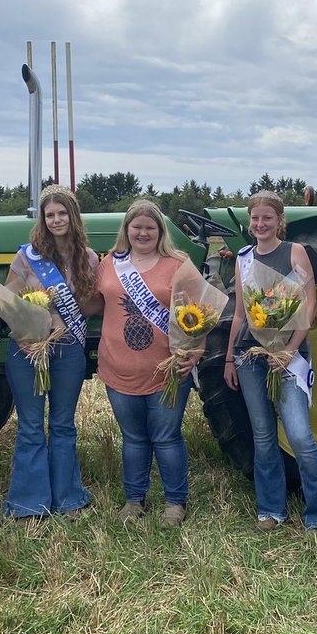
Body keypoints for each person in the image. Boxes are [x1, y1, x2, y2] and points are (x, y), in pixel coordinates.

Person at [224, 191, 317, 535]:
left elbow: (307, 307)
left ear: (279, 221)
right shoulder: (243, 257)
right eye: (255, 218)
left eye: (267, 218)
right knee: (262, 437)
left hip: (287, 358)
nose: (260, 224)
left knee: (300, 437)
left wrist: (289, 349)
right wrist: (231, 356)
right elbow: (240, 315)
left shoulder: (295, 252)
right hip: (250, 357)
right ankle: (271, 508)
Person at [95, 199, 199, 526]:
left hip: (167, 371)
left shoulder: (178, 264)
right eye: (136, 226)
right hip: (119, 368)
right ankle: (134, 499)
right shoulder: (110, 262)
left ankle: (174, 502)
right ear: (126, 229)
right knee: (133, 437)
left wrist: (195, 352)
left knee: (166, 437)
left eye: (149, 227)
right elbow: (92, 303)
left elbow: (203, 312)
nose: (142, 233)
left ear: (160, 231)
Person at [1, 185, 101, 521]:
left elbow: (92, 304)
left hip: (69, 349)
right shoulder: (26, 256)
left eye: (62, 213)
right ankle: (29, 503)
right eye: (50, 215)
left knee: (62, 424)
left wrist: (65, 312)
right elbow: (9, 302)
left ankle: (68, 499)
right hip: (28, 351)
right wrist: (25, 334)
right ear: (43, 220)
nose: (56, 219)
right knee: (30, 425)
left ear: (73, 217)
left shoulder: (88, 257)